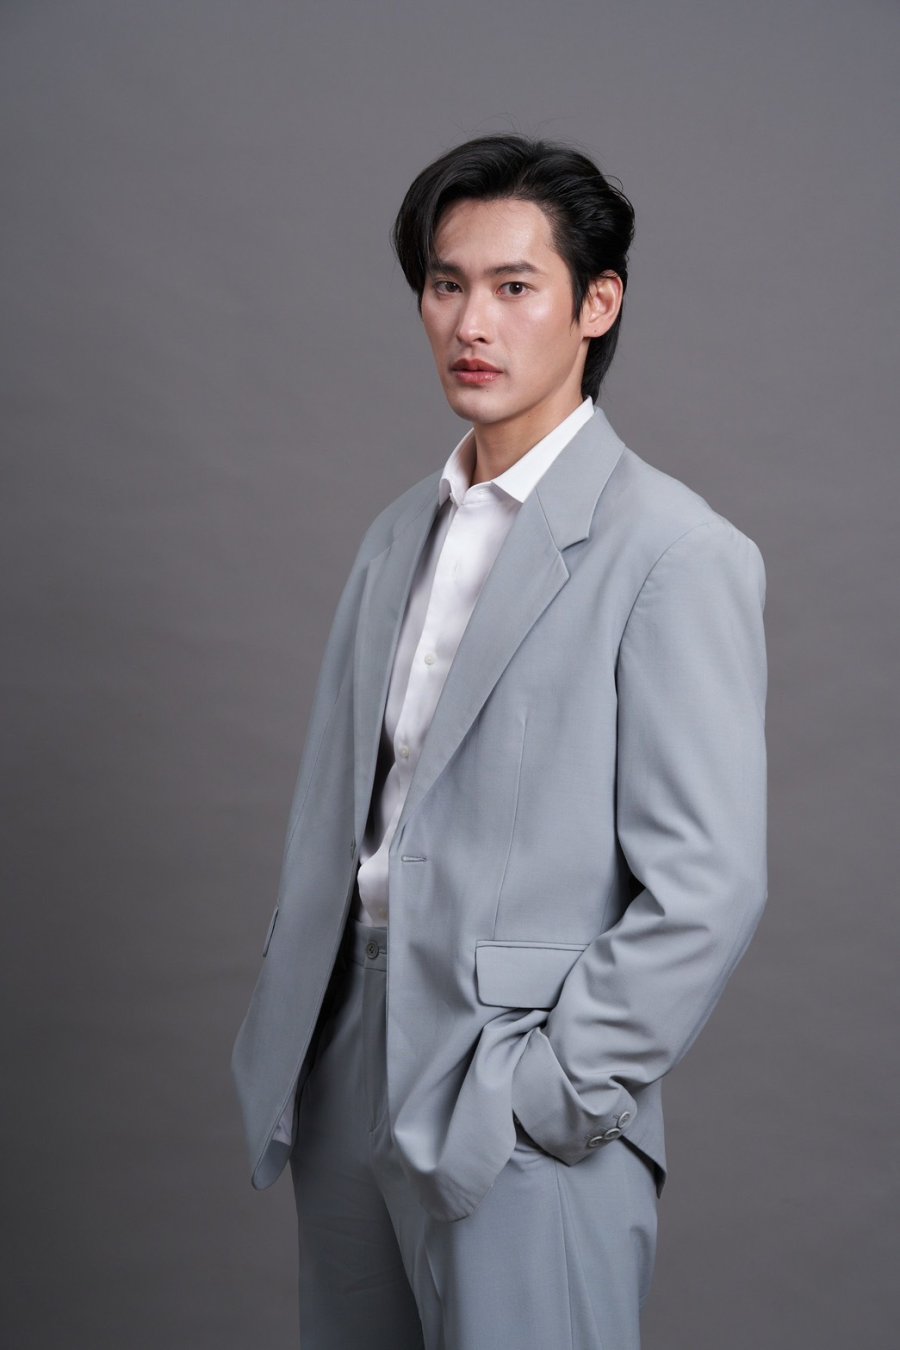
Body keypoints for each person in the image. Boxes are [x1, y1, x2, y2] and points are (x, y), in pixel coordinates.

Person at [231, 133, 768, 1349]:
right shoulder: (394, 536)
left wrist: (549, 1091)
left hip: (509, 1082)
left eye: (514, 286)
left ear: (597, 304)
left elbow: (710, 883)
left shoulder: (675, 552)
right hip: (341, 1054)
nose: (471, 321)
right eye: (446, 283)